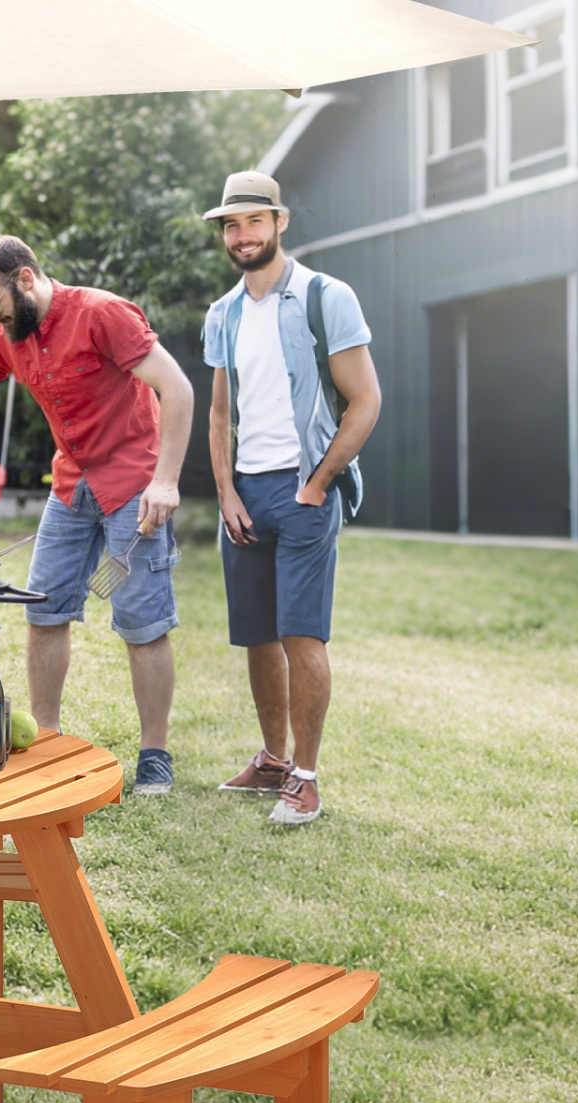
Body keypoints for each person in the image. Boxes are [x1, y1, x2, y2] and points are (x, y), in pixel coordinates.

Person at [0, 235, 194, 795]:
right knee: (43, 609)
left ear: (24, 279)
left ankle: (155, 753)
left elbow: (177, 387)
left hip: (134, 480)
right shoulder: (9, 337)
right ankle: (47, 738)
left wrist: (167, 480)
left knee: (141, 621)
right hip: (72, 481)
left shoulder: (102, 314)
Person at [202, 171, 381, 826]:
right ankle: (272, 760)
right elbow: (220, 415)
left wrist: (318, 482)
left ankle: (305, 778)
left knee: (300, 634)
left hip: (304, 489)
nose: (241, 235)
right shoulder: (222, 313)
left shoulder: (323, 297)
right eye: (230, 224)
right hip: (245, 495)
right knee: (257, 637)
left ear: (279, 223)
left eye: (253, 221)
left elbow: (366, 400)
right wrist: (225, 493)